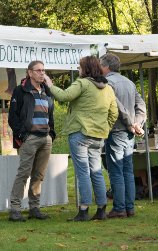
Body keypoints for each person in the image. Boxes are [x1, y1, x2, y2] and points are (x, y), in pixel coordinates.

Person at [44, 56, 118, 221]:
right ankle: (101, 209)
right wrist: (105, 127)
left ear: (86, 69)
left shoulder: (82, 83)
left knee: (83, 172)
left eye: (79, 67)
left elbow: (63, 96)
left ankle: (84, 209)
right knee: (96, 172)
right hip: (99, 136)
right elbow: (114, 113)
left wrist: (50, 84)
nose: (78, 70)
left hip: (80, 133)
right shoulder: (108, 88)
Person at [8, 60, 56, 222]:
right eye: (38, 70)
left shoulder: (46, 91)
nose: (42, 73)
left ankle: (34, 208)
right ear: (29, 72)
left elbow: (50, 115)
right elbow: (12, 117)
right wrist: (23, 135)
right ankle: (15, 209)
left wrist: (52, 134)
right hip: (29, 138)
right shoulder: (20, 91)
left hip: (45, 138)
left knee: (39, 175)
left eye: (43, 70)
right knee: (24, 174)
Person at [100, 53, 146, 218]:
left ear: (105, 67)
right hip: (130, 133)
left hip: (117, 130)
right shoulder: (129, 82)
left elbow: (117, 107)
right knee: (127, 170)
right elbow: (141, 105)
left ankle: (119, 208)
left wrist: (130, 123)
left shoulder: (108, 83)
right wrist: (138, 124)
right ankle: (129, 207)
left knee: (116, 171)